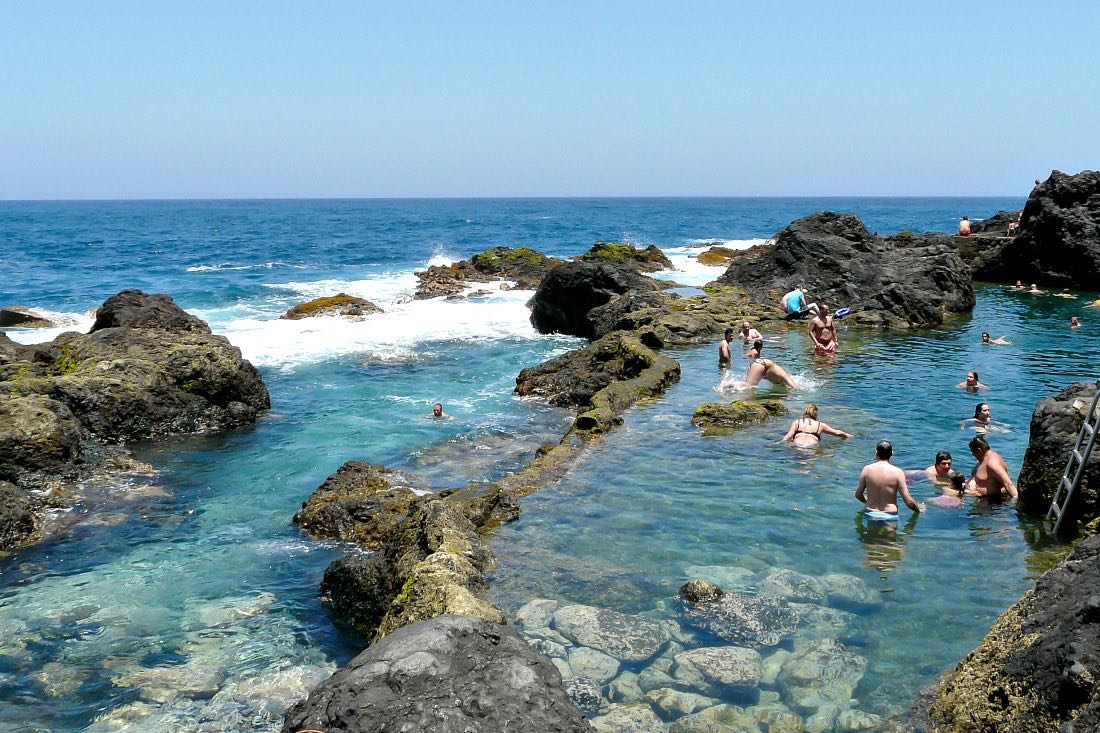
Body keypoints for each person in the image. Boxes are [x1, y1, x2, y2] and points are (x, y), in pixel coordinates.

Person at [856, 440, 924, 519]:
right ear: (891, 453)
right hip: (890, 516)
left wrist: (869, 501)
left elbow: (858, 495)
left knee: (871, 531)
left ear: (876, 453)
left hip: (870, 513)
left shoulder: (867, 469)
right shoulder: (898, 472)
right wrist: (918, 510)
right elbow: (908, 501)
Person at [965, 435, 1017, 499]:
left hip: (992, 503)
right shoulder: (983, 459)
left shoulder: (993, 464)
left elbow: (1009, 484)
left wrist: (1016, 501)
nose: (972, 454)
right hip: (981, 498)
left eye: (973, 452)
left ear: (979, 451)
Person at [782, 403, 851, 446]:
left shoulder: (797, 422)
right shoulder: (820, 425)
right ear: (816, 414)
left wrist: (781, 443)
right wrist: (846, 435)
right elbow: (837, 432)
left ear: (805, 412)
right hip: (810, 447)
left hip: (797, 445)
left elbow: (789, 435)